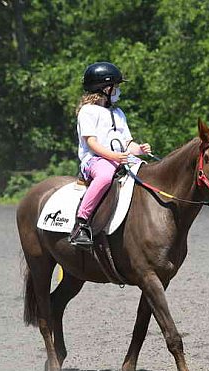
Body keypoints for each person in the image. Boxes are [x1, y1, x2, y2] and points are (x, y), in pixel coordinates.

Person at [70, 61, 151, 247]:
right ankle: (82, 223)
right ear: (105, 88)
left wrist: (139, 150)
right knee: (105, 177)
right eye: (116, 87)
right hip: (95, 160)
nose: (118, 91)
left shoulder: (118, 112)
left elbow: (127, 143)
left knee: (146, 171)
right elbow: (92, 143)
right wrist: (113, 157)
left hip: (120, 158)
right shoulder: (88, 112)